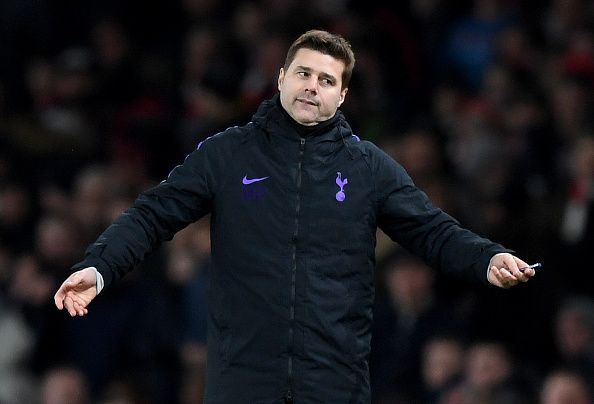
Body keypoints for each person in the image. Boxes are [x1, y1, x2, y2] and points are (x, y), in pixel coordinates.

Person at [54, 29, 537, 404]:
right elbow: (152, 214)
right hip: (242, 383)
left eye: (327, 80)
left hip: (334, 384)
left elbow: (432, 230)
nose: (313, 86)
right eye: (304, 73)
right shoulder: (227, 155)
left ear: (342, 96)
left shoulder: (369, 168)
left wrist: (486, 258)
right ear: (281, 78)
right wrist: (99, 267)